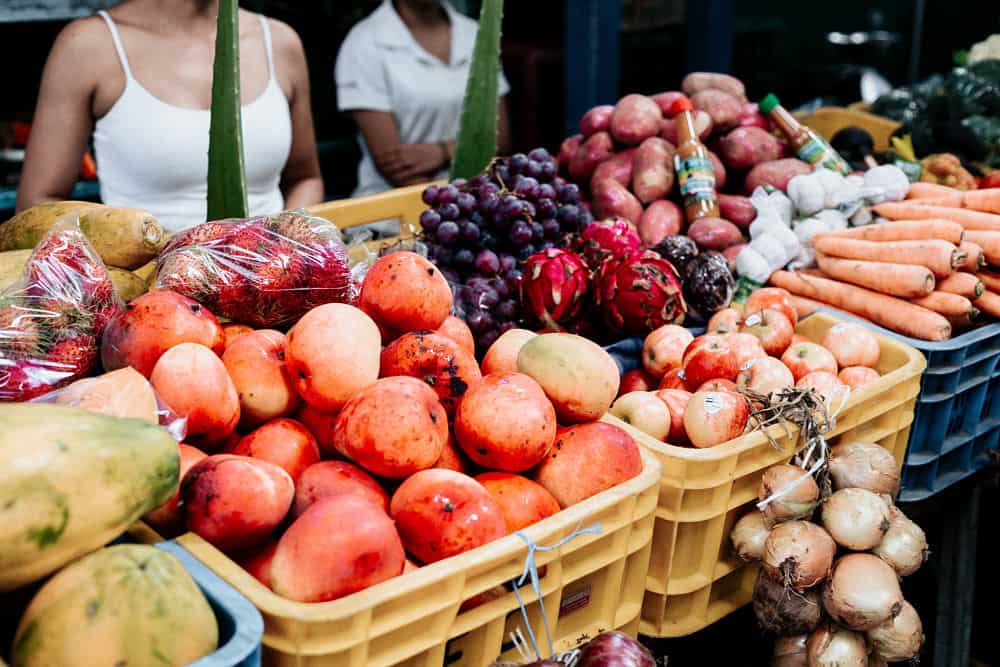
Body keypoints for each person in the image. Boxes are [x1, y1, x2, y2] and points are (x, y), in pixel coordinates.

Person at [16, 0, 323, 232]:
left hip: (270, 289)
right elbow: (39, 203)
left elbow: (305, 179)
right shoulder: (89, 45)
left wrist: (281, 246)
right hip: (145, 298)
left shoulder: (279, 41)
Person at [335, 0, 512, 201]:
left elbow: (500, 141)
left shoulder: (474, 34)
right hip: (395, 215)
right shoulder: (364, 43)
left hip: (476, 206)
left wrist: (442, 152)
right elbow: (396, 167)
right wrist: (458, 208)